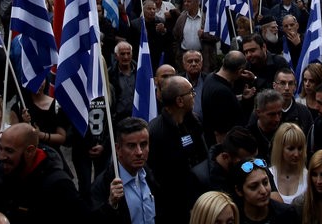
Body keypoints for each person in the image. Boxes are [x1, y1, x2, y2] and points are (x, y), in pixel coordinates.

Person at [0, 123, 85, 223]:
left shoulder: (59, 185)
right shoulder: (0, 174)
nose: (2, 156)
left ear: (30, 151)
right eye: (0, 149)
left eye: (9, 151)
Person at [147, 76, 209, 223]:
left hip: (196, 198)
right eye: (191, 92)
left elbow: (202, 154)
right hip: (171, 208)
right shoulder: (155, 132)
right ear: (180, 101)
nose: (194, 96)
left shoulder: (194, 121)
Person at [92, 117, 158, 224]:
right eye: (132, 146)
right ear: (118, 149)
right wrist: (111, 205)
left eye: (143, 144)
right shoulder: (103, 185)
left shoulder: (149, 174)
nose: (139, 152)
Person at [202, 50, 257, 146]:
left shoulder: (210, 78)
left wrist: (242, 98)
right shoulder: (221, 91)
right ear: (240, 71)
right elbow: (221, 132)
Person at [191, 127, 259, 199]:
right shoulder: (199, 178)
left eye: (254, 160)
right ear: (225, 157)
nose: (252, 166)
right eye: (245, 163)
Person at [230, 158, 299, 224]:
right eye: (254, 187)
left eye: (265, 182)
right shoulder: (232, 217)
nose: (263, 191)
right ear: (239, 191)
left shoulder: (287, 214)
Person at [175, 0, 219, 72]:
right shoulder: (181, 18)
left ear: (197, 2)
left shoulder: (207, 18)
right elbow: (176, 36)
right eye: (184, 1)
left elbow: (217, 37)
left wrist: (204, 35)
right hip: (185, 57)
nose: (185, 4)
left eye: (189, 1)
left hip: (204, 58)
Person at [268, 123, 307, 205]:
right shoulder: (268, 176)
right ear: (280, 149)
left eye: (300, 148)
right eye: (291, 148)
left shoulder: (308, 177)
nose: (296, 154)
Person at [272, 68, 313, 134]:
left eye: (290, 83)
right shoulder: (265, 110)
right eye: (283, 83)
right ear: (274, 86)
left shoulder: (304, 112)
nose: (287, 88)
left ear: (295, 87)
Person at [248, 89, 284, 160]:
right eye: (272, 114)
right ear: (258, 112)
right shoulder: (248, 136)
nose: (277, 119)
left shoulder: (285, 133)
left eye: (279, 113)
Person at [108, 41, 137, 124]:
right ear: (116, 56)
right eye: (122, 54)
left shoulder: (140, 71)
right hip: (119, 119)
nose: (126, 57)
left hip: (138, 116)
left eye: (128, 53)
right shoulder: (110, 74)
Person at [181, 49, 206, 120]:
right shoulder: (177, 82)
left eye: (197, 61)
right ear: (184, 64)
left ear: (202, 63)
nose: (194, 64)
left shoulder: (209, 81)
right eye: (190, 61)